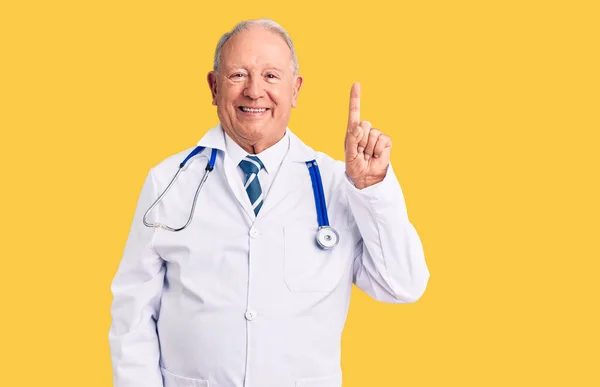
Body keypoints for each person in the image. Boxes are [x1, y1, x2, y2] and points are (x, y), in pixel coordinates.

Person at [109, 18, 430, 387]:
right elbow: (132, 318)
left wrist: (372, 188)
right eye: (237, 75)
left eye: (271, 76)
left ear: (296, 90)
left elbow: (403, 285)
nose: (254, 91)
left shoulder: (337, 184)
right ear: (214, 87)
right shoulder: (168, 182)